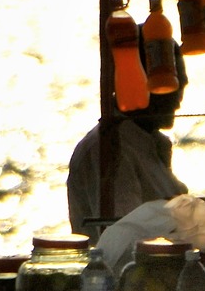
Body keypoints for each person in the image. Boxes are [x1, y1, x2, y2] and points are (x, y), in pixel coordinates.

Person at [67, 48, 189, 237]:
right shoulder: (111, 149)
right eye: (170, 89)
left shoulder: (149, 144)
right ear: (138, 83)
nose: (178, 103)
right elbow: (127, 241)